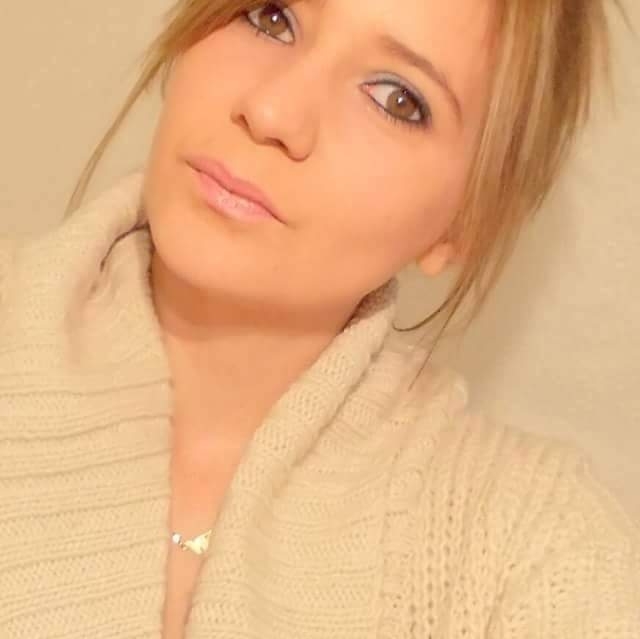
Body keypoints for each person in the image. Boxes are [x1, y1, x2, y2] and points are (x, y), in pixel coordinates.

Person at [0, 1, 638, 638]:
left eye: (396, 99)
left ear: (463, 223)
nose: (272, 111)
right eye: (270, 17)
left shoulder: (537, 552)